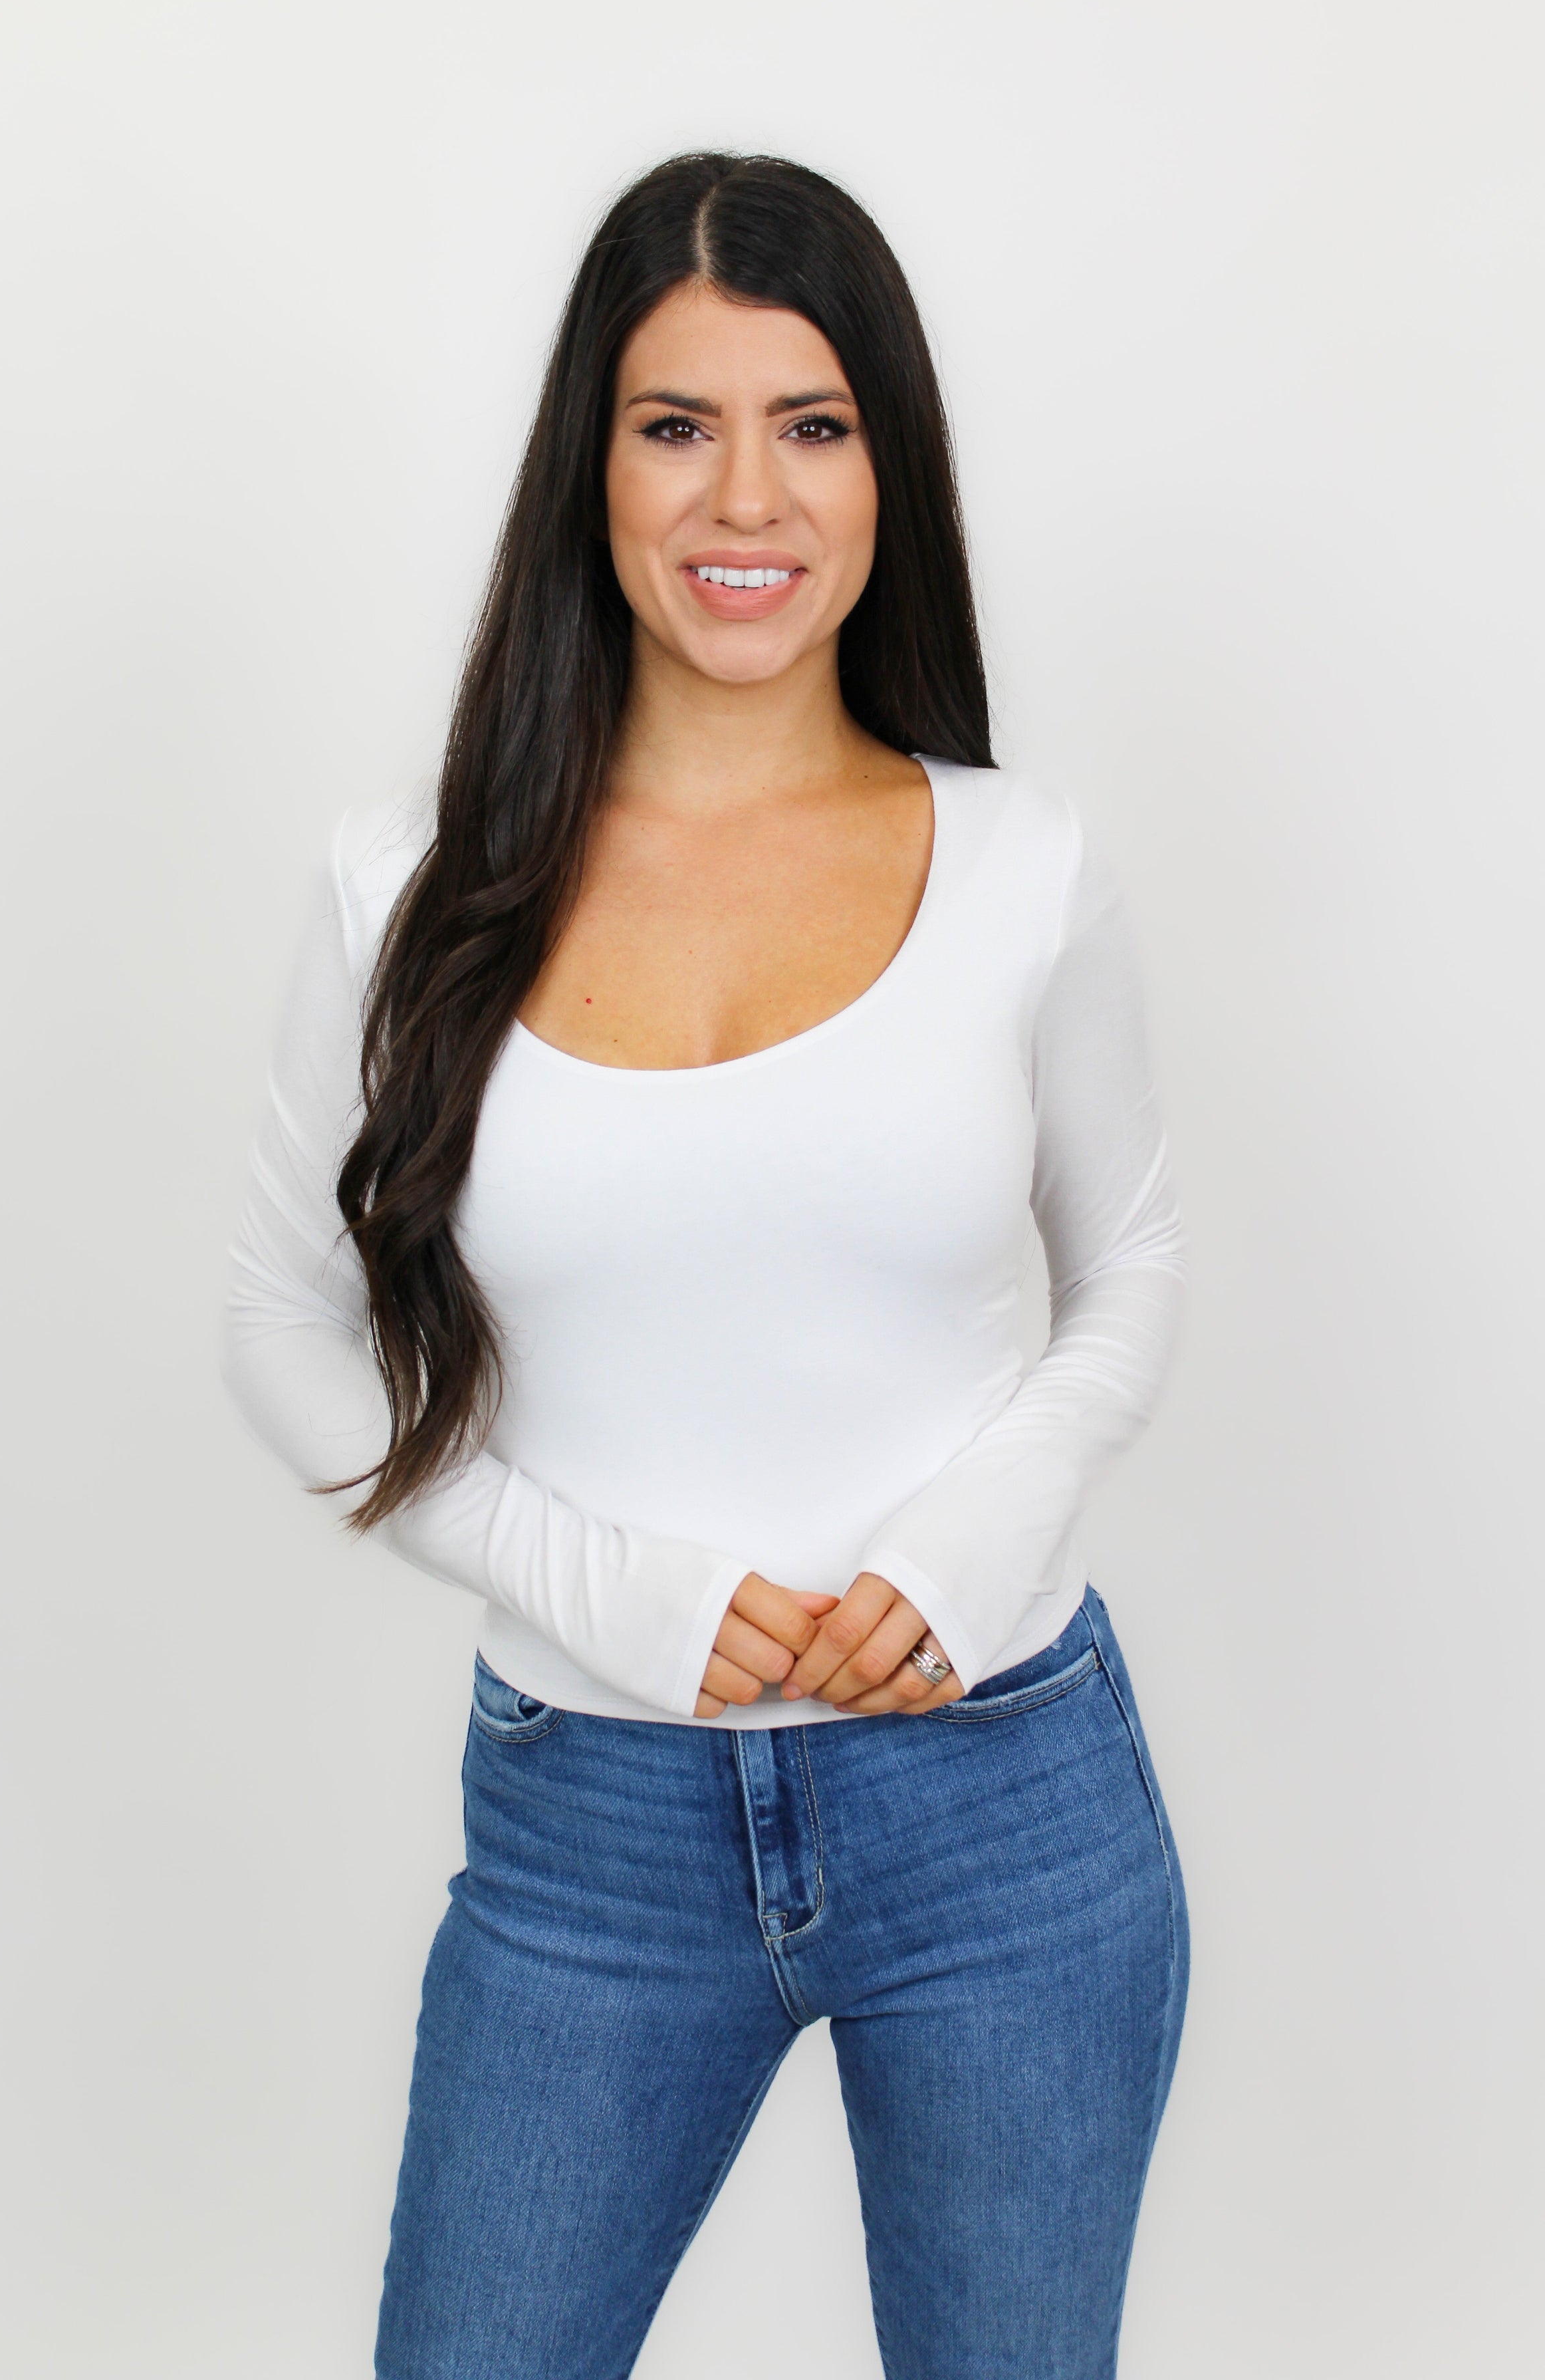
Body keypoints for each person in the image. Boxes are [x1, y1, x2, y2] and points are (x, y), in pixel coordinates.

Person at [222, 150, 1190, 2380]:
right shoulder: (407, 886)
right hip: (594, 1829)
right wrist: (597, 1583)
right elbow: (281, 1326)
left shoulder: (1021, 866)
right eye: (677, 424)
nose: (745, 495)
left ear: (885, 468)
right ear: (594, 465)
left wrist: (970, 1542)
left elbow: (1129, 1266)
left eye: (812, 424)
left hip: (1009, 1799)